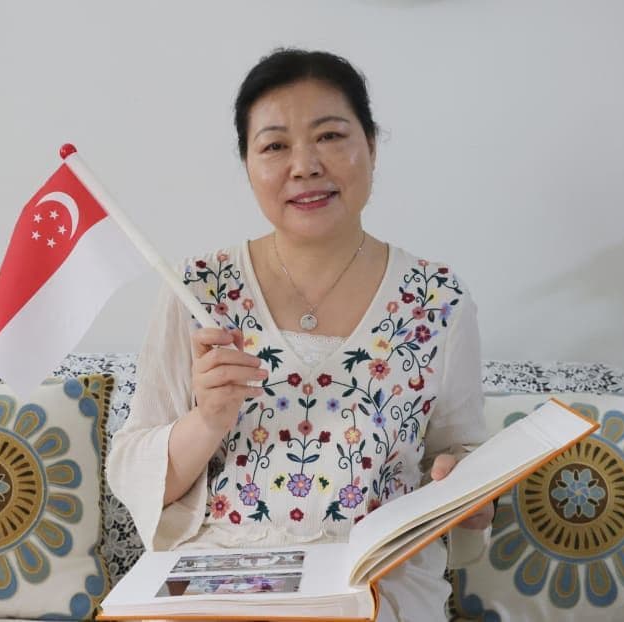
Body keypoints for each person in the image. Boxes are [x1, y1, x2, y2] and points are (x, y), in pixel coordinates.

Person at [107, 48, 495, 622]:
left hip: (376, 585)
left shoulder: (437, 296)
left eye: (331, 136)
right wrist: (207, 420)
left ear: (371, 146)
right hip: (222, 585)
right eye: (274, 146)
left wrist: (471, 491)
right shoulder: (197, 290)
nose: (305, 166)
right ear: (248, 165)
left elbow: (460, 456)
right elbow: (136, 472)